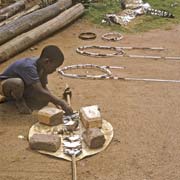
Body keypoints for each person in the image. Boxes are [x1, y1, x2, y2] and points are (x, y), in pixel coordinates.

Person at [0, 45, 73, 115]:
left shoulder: (42, 66)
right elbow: (40, 90)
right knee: (17, 83)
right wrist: (61, 102)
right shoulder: (29, 67)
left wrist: (56, 103)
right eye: (54, 67)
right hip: (5, 85)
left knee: (43, 101)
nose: (54, 70)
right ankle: (19, 100)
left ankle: (16, 96)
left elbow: (43, 87)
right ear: (47, 61)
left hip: (24, 85)